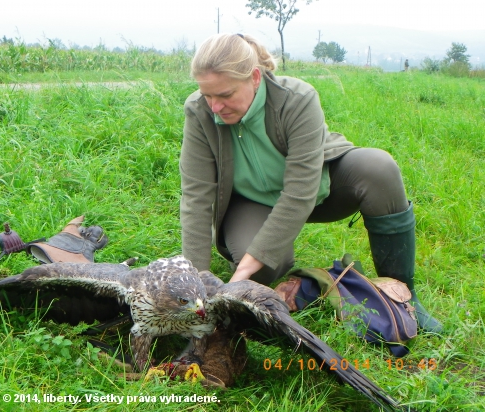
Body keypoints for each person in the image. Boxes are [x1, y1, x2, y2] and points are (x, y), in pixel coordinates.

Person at [179, 33, 441, 333]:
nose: (215, 106)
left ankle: (403, 297)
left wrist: (240, 274)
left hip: (318, 190)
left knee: (379, 169)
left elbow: (300, 190)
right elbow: (196, 198)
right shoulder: (199, 111)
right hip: (252, 202)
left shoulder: (297, 99)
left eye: (225, 95)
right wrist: (195, 285)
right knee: (265, 264)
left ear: (254, 78)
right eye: (207, 95)